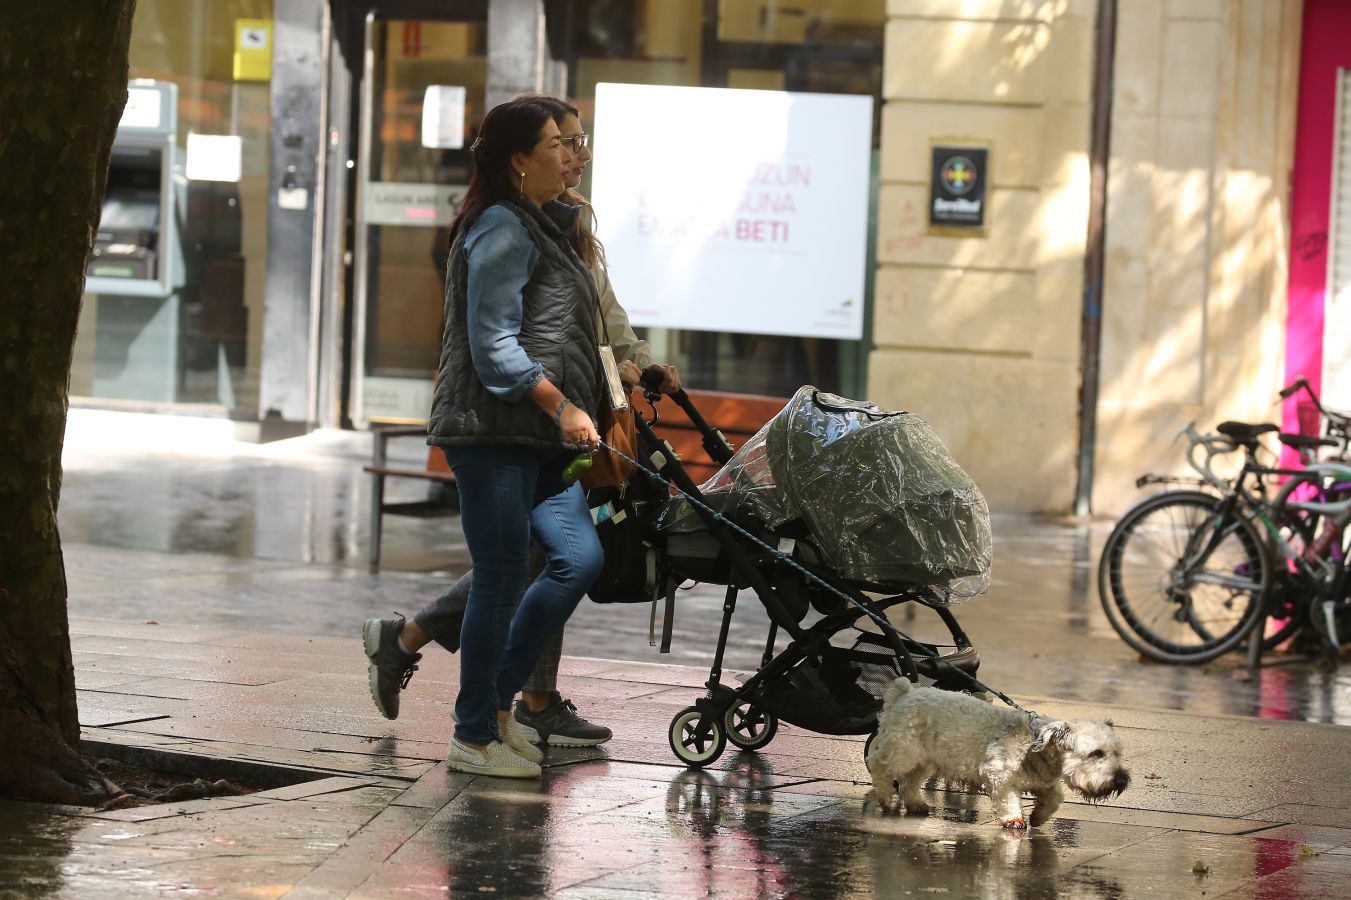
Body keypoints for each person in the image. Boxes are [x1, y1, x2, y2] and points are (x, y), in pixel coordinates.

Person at [363, 97, 681, 751]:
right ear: (518, 159)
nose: (575, 155)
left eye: (578, 142)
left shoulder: (553, 226)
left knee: (569, 558)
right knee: (513, 570)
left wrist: (631, 366)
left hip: (540, 435)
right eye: (561, 143)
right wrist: (561, 405)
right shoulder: (504, 229)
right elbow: (493, 342)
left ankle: (487, 700)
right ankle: (479, 726)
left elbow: (594, 322)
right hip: (498, 428)